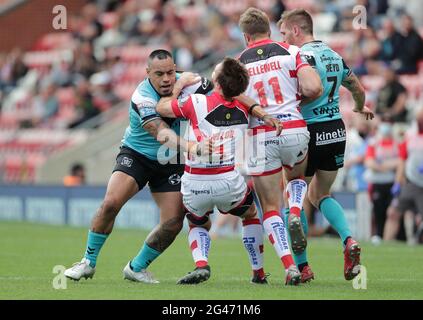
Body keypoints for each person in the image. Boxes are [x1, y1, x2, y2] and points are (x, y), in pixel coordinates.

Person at [64, 49, 213, 283]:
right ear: (147, 73)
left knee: (173, 222)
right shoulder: (142, 97)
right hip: (137, 155)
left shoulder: (189, 82)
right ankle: (87, 262)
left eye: (171, 72)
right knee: (111, 204)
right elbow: (160, 132)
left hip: (170, 161)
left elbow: (223, 91)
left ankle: (136, 267)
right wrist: (192, 147)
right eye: (159, 74)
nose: (166, 79)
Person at [156, 57, 303, 285]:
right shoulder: (246, 108)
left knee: (197, 222)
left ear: (216, 81)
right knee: (251, 215)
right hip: (228, 181)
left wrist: (178, 85)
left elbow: (161, 108)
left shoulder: (195, 103)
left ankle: (201, 264)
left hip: (194, 182)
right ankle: (259, 272)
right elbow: (242, 98)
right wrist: (263, 114)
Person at [278, 9, 374, 282]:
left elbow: (303, 92)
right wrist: (358, 107)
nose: (283, 38)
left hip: (306, 130)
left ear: (296, 30)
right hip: (335, 129)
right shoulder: (333, 54)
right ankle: (349, 240)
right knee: (320, 195)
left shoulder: (298, 57)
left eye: (284, 32)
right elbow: (356, 86)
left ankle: (303, 267)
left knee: (293, 195)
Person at [237, 7, 322, 281]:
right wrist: (293, 103)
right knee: (296, 177)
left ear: (246, 37)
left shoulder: (238, 63)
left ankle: (290, 266)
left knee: (270, 207)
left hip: (261, 136)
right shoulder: (292, 52)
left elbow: (234, 104)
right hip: (294, 129)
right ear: (270, 30)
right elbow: (314, 89)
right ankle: (296, 209)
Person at [388, 107, 423, 243]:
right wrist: (398, 182)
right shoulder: (410, 135)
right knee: (393, 213)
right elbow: (402, 160)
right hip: (412, 182)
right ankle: (385, 245)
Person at [364, 120, 400, 244]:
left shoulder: (396, 143)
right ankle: (378, 235)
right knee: (378, 210)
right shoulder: (374, 143)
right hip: (378, 182)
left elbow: (400, 162)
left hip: (391, 182)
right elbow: (369, 162)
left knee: (391, 210)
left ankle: (388, 237)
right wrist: (384, 167)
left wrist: (383, 165)